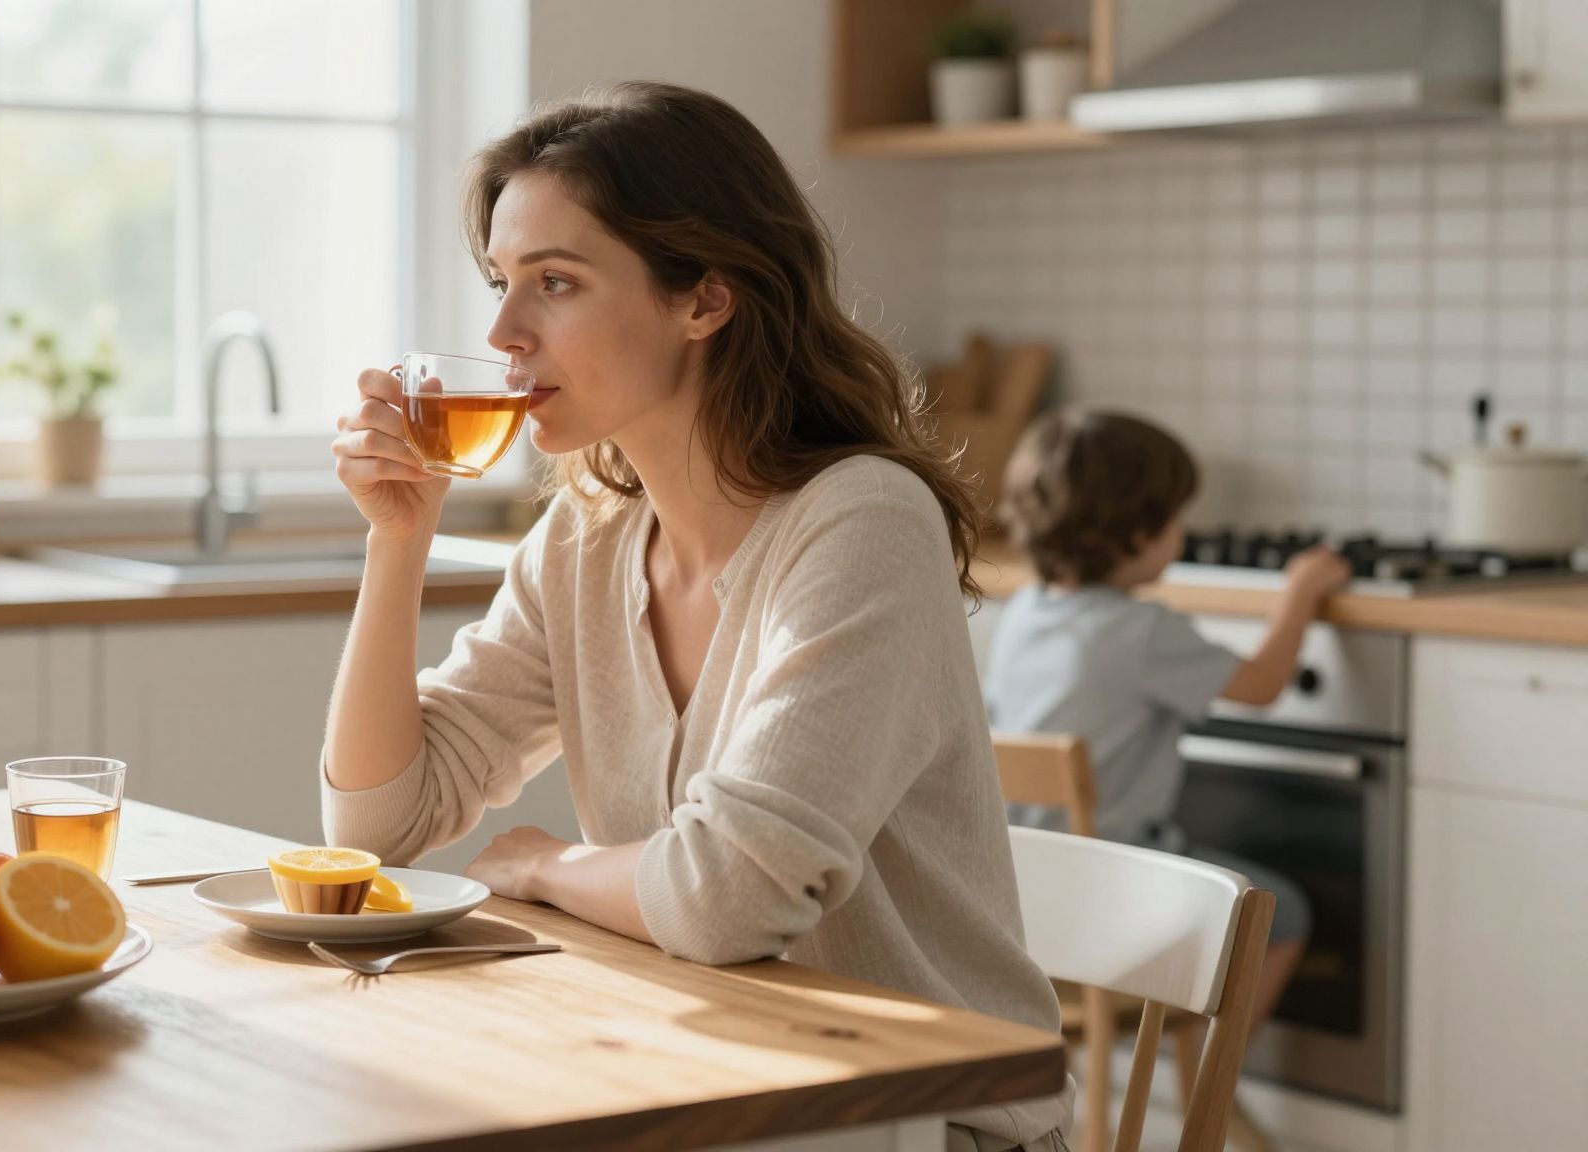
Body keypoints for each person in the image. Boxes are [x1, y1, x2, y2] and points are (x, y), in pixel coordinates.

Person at [322, 82, 1069, 1152]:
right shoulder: (586, 539)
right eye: (499, 281)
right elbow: (376, 827)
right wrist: (396, 540)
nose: (502, 330)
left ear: (703, 301)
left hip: (922, 1122)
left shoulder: (859, 525)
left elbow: (729, 897)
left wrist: (540, 867)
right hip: (707, 1086)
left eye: (556, 283)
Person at [983, 410, 1348, 1150]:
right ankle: (1213, 1087)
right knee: (1283, 913)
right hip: (1113, 896)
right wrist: (1301, 596)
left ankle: (1185, 1077)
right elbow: (1262, 684)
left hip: (1019, 900)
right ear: (1134, 533)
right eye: (1175, 518)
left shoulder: (1021, 612)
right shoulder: (1144, 632)